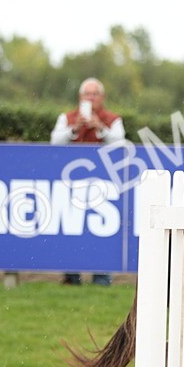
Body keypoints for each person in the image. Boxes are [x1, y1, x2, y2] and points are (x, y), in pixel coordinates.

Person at [50, 78, 125, 286]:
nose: (91, 98)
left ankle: (102, 278)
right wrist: (75, 128)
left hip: (104, 184)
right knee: (71, 228)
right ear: (80, 97)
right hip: (71, 183)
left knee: (104, 230)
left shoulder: (112, 119)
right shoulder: (67, 118)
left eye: (95, 94)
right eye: (87, 94)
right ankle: (71, 276)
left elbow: (121, 143)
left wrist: (100, 128)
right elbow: (54, 142)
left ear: (102, 97)